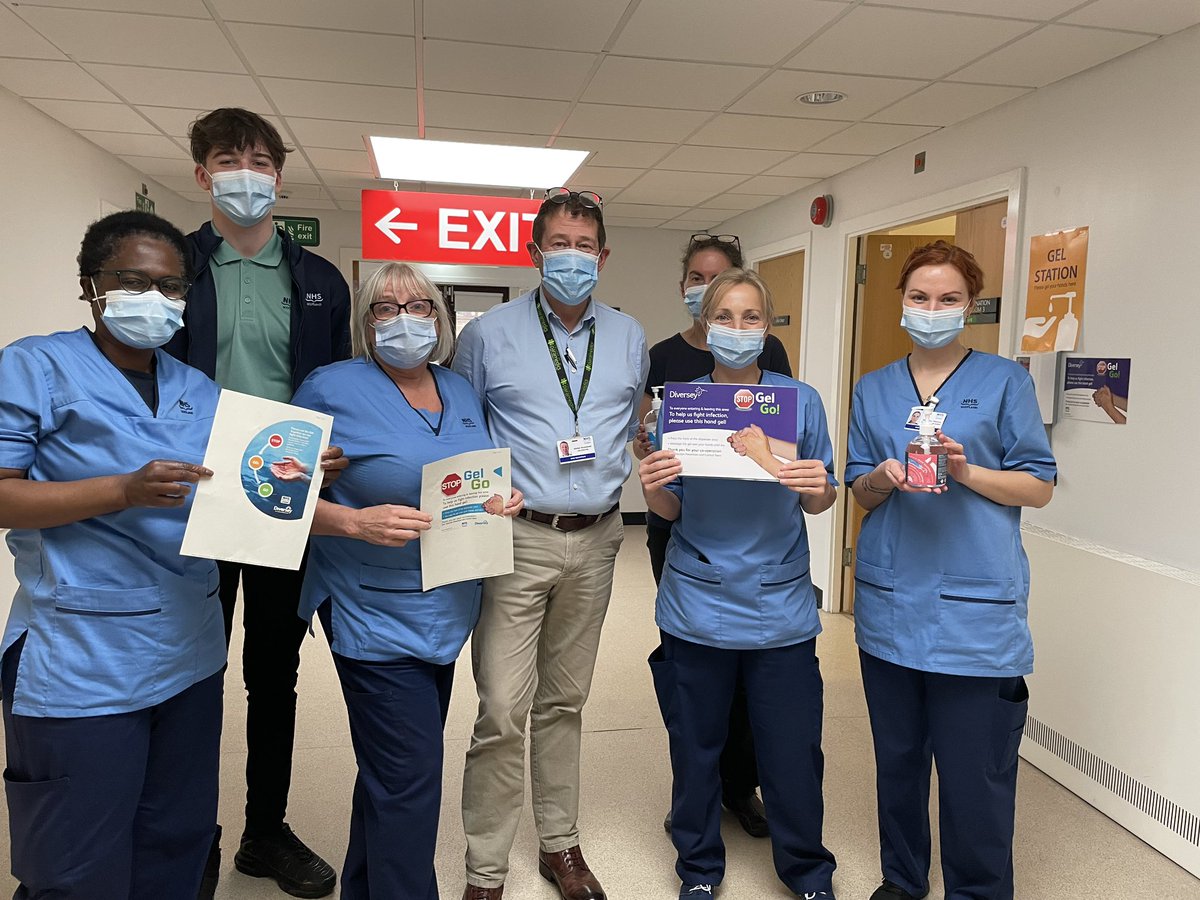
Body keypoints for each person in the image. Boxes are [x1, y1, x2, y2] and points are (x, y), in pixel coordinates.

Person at [0, 212, 225, 897]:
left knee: (175, 838)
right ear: (90, 286)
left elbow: (237, 497)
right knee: (77, 860)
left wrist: (299, 475)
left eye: (170, 287)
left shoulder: (199, 389)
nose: (154, 300)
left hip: (189, 646)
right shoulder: (35, 366)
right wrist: (122, 490)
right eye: (132, 281)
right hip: (82, 657)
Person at [289, 262, 524, 899]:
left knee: (391, 778)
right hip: (370, 612)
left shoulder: (460, 390)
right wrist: (352, 521)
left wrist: (503, 499)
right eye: (384, 308)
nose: (403, 319)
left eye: (418, 306)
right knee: (412, 783)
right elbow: (271, 496)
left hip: (445, 609)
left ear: (439, 317)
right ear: (365, 324)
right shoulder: (330, 387)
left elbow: (471, 478)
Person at [167, 107, 351, 898]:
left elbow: (333, 386)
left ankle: (263, 833)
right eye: (226, 159)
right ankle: (184, 836)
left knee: (273, 675)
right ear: (203, 176)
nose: (246, 172)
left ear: (280, 175)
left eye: (260, 160)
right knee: (186, 669)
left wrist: (335, 451)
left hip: (279, 498)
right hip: (187, 500)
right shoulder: (172, 267)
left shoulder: (317, 281)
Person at [453, 187, 648, 900]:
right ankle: (485, 868)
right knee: (502, 707)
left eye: (584, 246)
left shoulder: (627, 336)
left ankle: (560, 844)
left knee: (565, 701)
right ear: (535, 253)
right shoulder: (487, 335)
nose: (572, 257)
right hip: (517, 537)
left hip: (598, 542)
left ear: (603, 256)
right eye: (557, 245)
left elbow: (638, 424)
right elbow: (462, 433)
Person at [845, 241, 1056, 900]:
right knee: (899, 765)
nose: (932, 310)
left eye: (948, 299)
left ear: (971, 306)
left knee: (974, 776)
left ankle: (979, 892)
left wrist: (966, 472)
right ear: (901, 302)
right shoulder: (874, 388)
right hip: (891, 605)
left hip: (976, 614)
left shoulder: (1005, 382)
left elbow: (1038, 486)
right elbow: (858, 489)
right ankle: (902, 883)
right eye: (919, 298)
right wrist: (880, 475)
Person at [639, 268, 838, 900]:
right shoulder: (680, 404)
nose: (737, 329)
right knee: (696, 748)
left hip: (778, 601)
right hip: (697, 597)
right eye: (725, 316)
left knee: (792, 750)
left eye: (752, 317)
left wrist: (818, 487)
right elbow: (671, 509)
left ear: (769, 327)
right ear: (706, 324)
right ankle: (698, 869)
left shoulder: (799, 401)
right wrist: (650, 486)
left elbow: (821, 498)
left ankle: (807, 871)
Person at [633, 232, 793, 840]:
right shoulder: (664, 355)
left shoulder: (769, 351)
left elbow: (783, 426)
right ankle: (697, 793)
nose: (713, 294)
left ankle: (738, 786)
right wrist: (649, 454)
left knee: (752, 677)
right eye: (700, 282)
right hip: (681, 527)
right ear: (690, 293)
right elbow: (647, 428)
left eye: (722, 279)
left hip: (754, 535)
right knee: (693, 668)